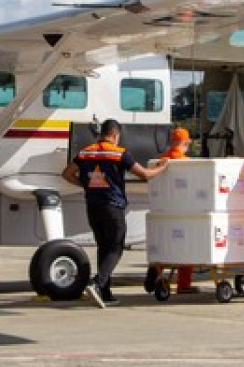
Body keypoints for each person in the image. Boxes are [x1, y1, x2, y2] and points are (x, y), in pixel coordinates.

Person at [62, 118, 168, 308]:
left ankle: (105, 292)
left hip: (92, 207)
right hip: (113, 206)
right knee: (116, 247)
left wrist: (87, 186)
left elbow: (67, 174)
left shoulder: (85, 152)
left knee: (103, 247)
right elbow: (144, 174)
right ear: (115, 135)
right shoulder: (119, 153)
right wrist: (162, 167)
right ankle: (97, 283)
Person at [158, 128, 197, 293]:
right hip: (184, 211)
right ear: (186, 142)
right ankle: (184, 285)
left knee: (163, 245)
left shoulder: (160, 160)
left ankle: (157, 274)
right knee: (186, 247)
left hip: (164, 210)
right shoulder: (187, 162)